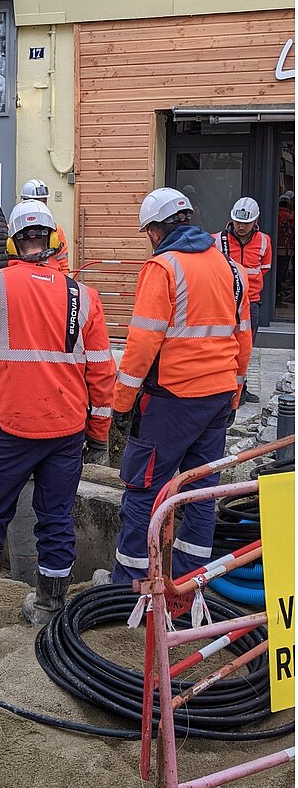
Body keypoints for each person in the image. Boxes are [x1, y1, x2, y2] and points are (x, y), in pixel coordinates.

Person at [0, 200, 115, 647]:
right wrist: (98, 435)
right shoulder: (84, 296)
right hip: (66, 433)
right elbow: (101, 372)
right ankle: (48, 607)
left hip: (11, 434)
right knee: (56, 520)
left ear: (13, 243)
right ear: (54, 242)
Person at [93, 188, 252, 588]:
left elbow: (143, 343)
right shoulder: (232, 270)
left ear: (156, 230)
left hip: (171, 401)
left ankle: (128, 585)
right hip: (217, 400)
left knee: (143, 489)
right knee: (200, 493)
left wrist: (122, 403)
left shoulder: (163, 268)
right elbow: (243, 340)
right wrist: (233, 393)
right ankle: (187, 584)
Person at [212, 197, 272, 403]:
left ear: (255, 221)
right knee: (222, 346)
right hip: (224, 303)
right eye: (238, 222)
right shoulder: (218, 240)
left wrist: (246, 289)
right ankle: (221, 386)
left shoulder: (264, 241)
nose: (241, 226)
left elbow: (264, 269)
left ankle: (240, 388)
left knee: (245, 347)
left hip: (251, 302)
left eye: (245, 223)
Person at [20, 178, 70, 273]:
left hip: (50, 280)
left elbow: (63, 265)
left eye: (43, 201)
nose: (41, 205)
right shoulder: (12, 230)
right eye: (38, 201)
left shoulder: (56, 230)